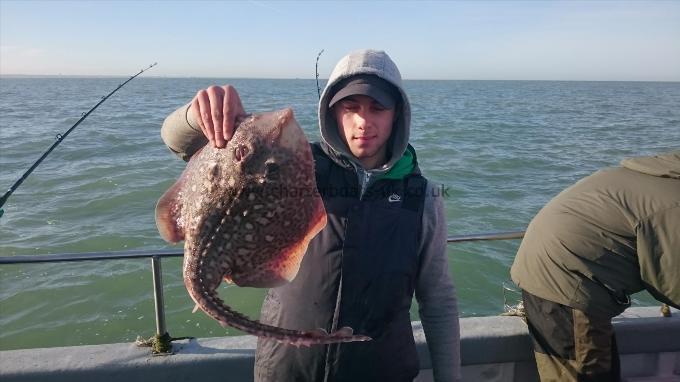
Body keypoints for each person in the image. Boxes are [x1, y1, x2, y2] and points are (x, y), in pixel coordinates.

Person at [160, 49, 461, 382]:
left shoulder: (422, 197)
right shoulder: (300, 168)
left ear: (397, 116)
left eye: (378, 108)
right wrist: (196, 115)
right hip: (287, 369)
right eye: (351, 107)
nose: (364, 121)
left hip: (380, 371)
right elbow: (178, 144)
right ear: (332, 113)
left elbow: (438, 299)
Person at [511, 152, 680, 382]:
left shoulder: (657, 175)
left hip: (562, 270)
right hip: (566, 280)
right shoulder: (673, 205)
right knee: (586, 374)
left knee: (599, 371)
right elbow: (671, 279)